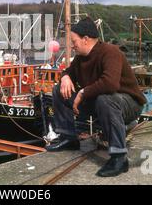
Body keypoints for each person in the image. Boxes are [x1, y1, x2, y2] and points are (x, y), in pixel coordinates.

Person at [46, 17, 147, 177]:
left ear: (86, 39)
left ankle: (119, 157)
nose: (72, 45)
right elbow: (69, 72)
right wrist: (65, 77)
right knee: (59, 90)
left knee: (105, 98)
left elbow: (110, 84)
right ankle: (69, 138)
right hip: (103, 102)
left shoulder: (111, 52)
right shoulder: (80, 58)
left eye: (74, 41)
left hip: (128, 103)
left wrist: (83, 92)